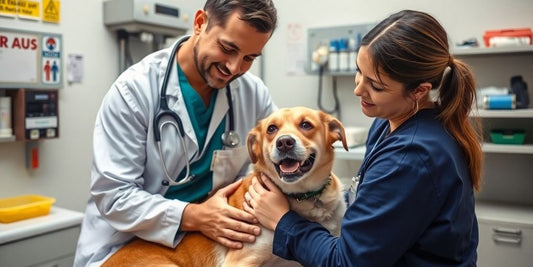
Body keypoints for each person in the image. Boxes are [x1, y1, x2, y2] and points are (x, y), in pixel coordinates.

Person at [245, 9, 483, 266]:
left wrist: (282, 221)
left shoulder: (411, 156)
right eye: (359, 71)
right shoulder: (386, 123)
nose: (358, 89)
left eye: (376, 86)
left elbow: (347, 262)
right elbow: (375, 209)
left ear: (419, 90)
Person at [74, 0, 278, 266]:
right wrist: (195, 215)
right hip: (126, 245)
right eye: (228, 48)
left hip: (208, 246)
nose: (233, 67)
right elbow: (115, 197)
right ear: (199, 23)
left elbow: (271, 166)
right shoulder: (133, 92)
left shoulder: (253, 94)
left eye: (249, 58)